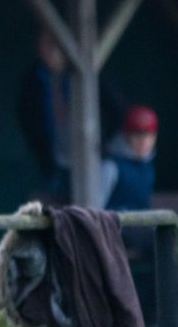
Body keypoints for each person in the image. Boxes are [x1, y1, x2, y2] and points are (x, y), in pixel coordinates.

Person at [100, 105, 178, 327]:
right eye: (137, 135)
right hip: (118, 229)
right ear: (126, 136)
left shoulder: (147, 164)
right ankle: (161, 318)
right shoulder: (110, 165)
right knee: (167, 242)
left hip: (145, 228)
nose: (143, 141)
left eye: (149, 135)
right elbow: (95, 209)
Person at [16, 28, 127, 203]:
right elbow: (26, 118)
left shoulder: (88, 74)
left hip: (88, 160)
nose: (49, 50)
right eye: (44, 44)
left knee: (90, 210)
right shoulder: (33, 79)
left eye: (54, 44)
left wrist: (102, 143)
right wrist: (41, 150)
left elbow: (116, 109)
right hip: (53, 162)